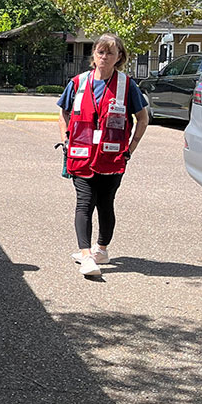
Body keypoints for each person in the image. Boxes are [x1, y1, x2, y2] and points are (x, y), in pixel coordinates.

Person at [56, 33, 148, 278]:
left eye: (110, 52)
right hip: (81, 156)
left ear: (119, 57)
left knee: (106, 205)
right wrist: (66, 140)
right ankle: (86, 255)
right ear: (93, 56)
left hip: (112, 159)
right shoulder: (78, 83)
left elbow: (143, 118)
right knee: (84, 203)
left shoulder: (127, 86)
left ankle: (102, 249)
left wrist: (131, 146)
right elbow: (63, 113)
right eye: (100, 52)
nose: (104, 57)